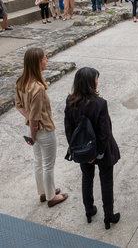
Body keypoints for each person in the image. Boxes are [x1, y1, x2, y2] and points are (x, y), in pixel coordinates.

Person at [64, 67, 120, 228]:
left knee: (87, 178)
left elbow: (68, 129)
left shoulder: (70, 101)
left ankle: (89, 210)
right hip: (102, 151)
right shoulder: (100, 104)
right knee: (106, 181)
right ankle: (108, 215)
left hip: (82, 149)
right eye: (96, 78)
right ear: (90, 83)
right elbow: (105, 132)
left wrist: (78, 149)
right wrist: (98, 153)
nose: (97, 81)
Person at [15, 47, 68, 207]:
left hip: (31, 127)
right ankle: (51, 197)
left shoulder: (21, 82)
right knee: (48, 165)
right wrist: (33, 130)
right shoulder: (37, 88)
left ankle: (44, 191)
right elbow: (36, 117)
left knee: (38, 161)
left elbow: (18, 106)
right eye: (45, 58)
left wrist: (29, 120)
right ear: (38, 62)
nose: (47, 60)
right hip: (42, 130)